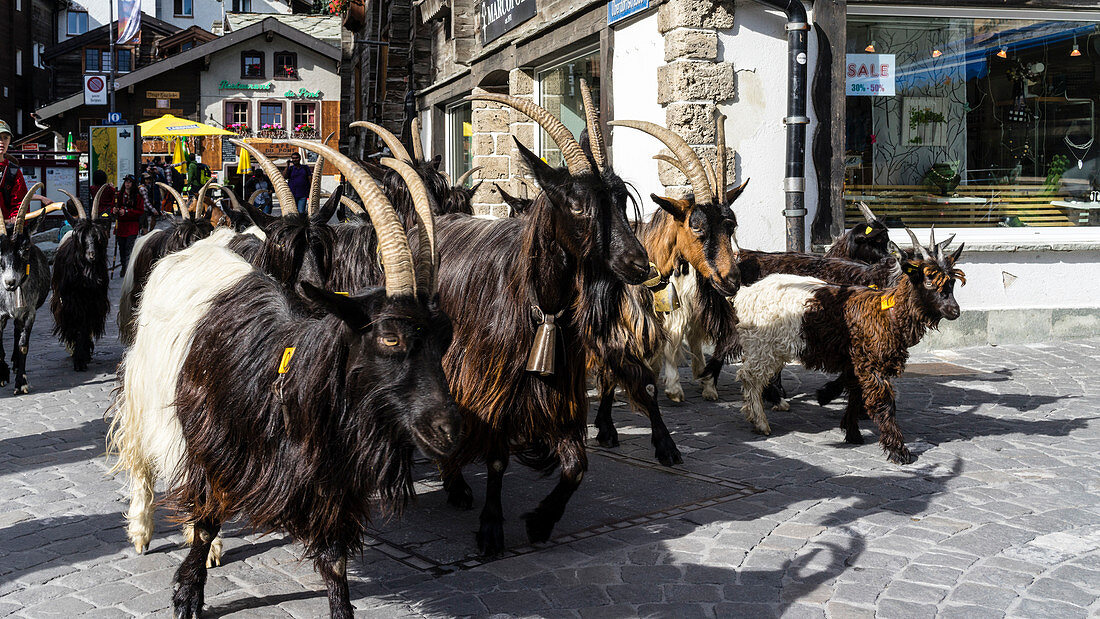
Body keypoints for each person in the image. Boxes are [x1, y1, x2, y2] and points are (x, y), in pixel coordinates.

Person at [0, 119, 51, 222]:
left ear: (9, 141)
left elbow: (19, 201)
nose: (2, 142)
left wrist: (15, 217)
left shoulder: (13, 171)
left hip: (5, 229)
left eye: (5, 138)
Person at [112, 175, 144, 276]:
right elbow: (113, 206)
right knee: (121, 248)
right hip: (121, 226)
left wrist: (127, 212)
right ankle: (123, 266)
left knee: (129, 248)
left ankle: (128, 268)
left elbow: (140, 211)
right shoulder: (119, 195)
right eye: (126, 181)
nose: (127, 183)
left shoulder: (137, 196)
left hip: (132, 226)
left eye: (130, 182)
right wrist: (114, 210)